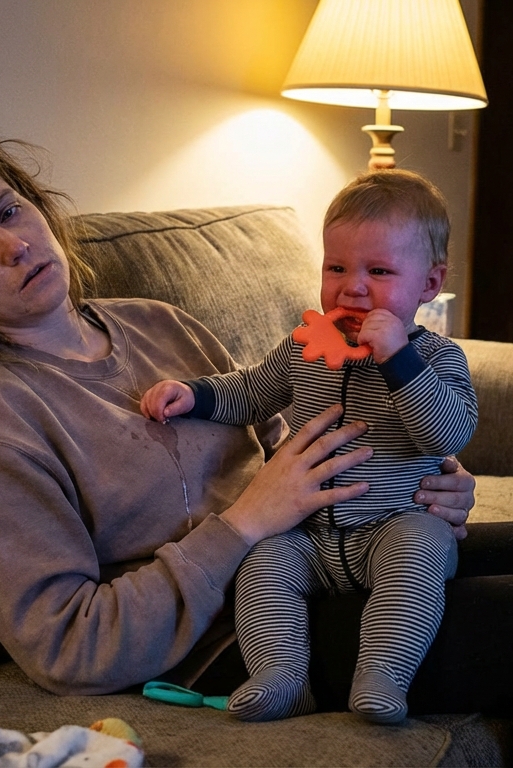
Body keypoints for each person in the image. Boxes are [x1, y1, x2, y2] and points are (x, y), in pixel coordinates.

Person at [0, 109, 513, 766]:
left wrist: (435, 476)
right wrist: (248, 524)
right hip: (232, 628)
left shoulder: (152, 323)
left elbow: (287, 416)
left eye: (11, 211)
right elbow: (65, 645)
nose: (13, 246)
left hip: (341, 537)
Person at [139, 170, 477, 724]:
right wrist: (193, 395)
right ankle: (282, 676)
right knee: (262, 562)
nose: (353, 286)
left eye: (380, 271)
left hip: (394, 525)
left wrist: (398, 360)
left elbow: (448, 434)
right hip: (308, 534)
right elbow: (248, 393)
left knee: (422, 549)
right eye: (336, 267)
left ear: (429, 284)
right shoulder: (303, 350)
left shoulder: (436, 360)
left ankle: (383, 675)